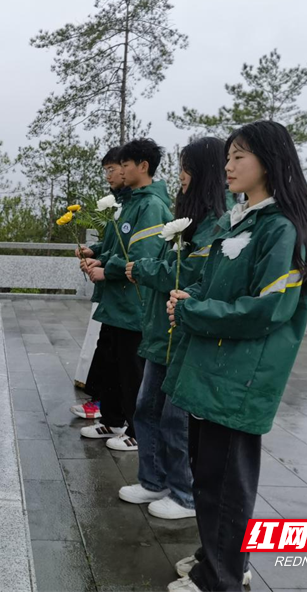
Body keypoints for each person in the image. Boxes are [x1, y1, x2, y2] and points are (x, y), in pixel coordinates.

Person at [164, 121, 307, 592]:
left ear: (269, 162)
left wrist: (194, 311)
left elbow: (268, 308)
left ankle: (222, 578)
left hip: (240, 377)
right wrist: (189, 296)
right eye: (228, 157)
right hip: (214, 369)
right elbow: (217, 285)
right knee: (209, 476)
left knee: (225, 483)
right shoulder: (242, 220)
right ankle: (216, 558)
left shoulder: (282, 228)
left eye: (239, 156)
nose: (228, 166)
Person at [120, 137, 226, 519]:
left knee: (174, 419)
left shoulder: (216, 224)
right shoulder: (189, 217)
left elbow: (191, 273)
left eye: (186, 167)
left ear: (203, 172)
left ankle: (184, 494)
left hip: (181, 333)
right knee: (146, 409)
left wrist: (142, 269)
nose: (181, 175)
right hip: (160, 330)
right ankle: (154, 480)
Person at [80, 138, 173, 451]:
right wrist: (99, 258)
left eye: (124, 165)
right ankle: (112, 419)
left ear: (142, 167)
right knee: (112, 364)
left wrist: (107, 270)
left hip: (134, 303)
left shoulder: (152, 206)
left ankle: (136, 430)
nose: (118, 171)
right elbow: (117, 248)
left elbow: (143, 256)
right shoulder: (132, 203)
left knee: (132, 369)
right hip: (117, 301)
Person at [70, 146, 129, 420]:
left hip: (124, 295)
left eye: (113, 169)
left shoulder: (146, 206)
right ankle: (104, 408)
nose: (109, 175)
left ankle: (115, 415)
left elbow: (135, 254)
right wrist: (95, 252)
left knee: (117, 357)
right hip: (112, 292)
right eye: (106, 170)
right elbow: (114, 244)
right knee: (106, 349)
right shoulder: (122, 204)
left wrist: (104, 265)